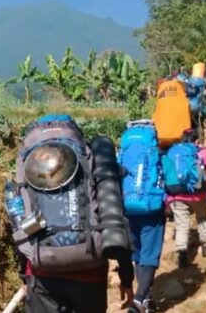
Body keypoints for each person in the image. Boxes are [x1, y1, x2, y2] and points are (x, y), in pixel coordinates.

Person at [9, 115, 136, 313]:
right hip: (89, 270)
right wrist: (126, 279)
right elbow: (113, 216)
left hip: (43, 271)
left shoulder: (28, 159)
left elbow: (20, 223)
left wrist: (25, 276)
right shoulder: (88, 158)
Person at [117, 120, 167, 313]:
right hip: (151, 209)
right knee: (149, 256)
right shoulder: (157, 152)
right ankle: (138, 301)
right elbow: (170, 177)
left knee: (137, 255)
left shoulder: (123, 151)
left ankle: (145, 298)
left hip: (128, 208)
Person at [164, 131, 206, 268]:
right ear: (196, 140)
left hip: (176, 195)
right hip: (197, 194)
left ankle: (182, 252)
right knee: (202, 217)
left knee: (181, 224)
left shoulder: (171, 152)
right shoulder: (199, 151)